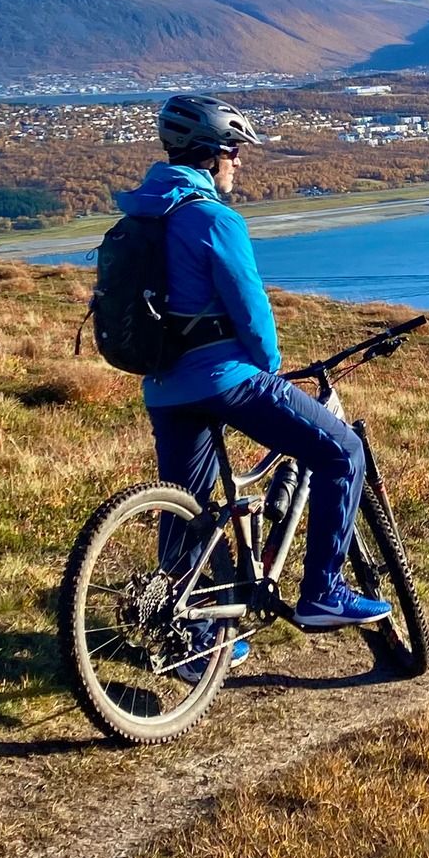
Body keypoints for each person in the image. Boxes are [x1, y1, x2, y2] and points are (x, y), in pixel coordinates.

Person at [116, 94, 391, 642]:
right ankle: (322, 592)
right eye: (235, 152)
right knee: (342, 452)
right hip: (225, 381)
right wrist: (269, 369)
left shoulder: (144, 213)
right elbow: (252, 312)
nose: (239, 162)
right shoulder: (213, 219)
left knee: (188, 510)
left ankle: (194, 639)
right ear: (213, 154)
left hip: (164, 387)